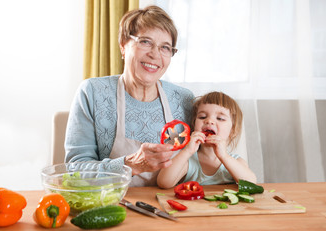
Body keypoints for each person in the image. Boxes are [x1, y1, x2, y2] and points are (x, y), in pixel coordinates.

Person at [64, 5, 194, 187]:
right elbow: (74, 170)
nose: (155, 54)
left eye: (165, 47)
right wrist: (129, 165)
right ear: (123, 45)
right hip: (111, 203)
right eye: (145, 42)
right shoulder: (92, 92)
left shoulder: (185, 100)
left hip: (170, 207)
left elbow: (201, 165)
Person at [157, 91, 257, 188]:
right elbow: (164, 182)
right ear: (194, 125)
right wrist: (187, 151)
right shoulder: (188, 161)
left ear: (233, 130)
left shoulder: (235, 161)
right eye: (202, 116)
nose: (209, 121)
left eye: (220, 118)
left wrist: (224, 156)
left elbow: (251, 183)